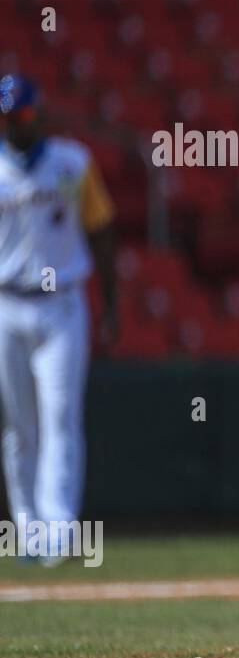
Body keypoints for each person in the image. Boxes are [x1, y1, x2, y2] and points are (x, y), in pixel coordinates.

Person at [0, 74, 118, 563]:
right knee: (18, 423)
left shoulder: (73, 163)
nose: (17, 125)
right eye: (8, 118)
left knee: (60, 415)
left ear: (39, 112)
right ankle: (26, 528)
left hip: (62, 302)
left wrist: (111, 302)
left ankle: (60, 529)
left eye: (23, 115)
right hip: (6, 301)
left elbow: (102, 229)